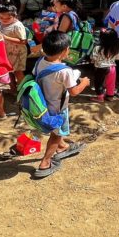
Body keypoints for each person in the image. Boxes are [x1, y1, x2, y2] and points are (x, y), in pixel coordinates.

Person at [32, 31, 90, 179]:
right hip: (58, 108)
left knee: (58, 131)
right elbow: (75, 91)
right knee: (56, 135)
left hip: (43, 104)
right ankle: (45, 162)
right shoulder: (65, 71)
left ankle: (63, 147)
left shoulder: (40, 62)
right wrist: (84, 82)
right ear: (65, 51)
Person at [0, 4, 28, 92]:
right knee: (8, 71)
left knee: (18, 72)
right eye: (1, 18)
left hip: (18, 53)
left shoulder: (17, 25)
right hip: (6, 52)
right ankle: (13, 89)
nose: (4, 20)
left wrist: (5, 37)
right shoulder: (0, 23)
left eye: (8, 18)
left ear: (14, 16)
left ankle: (23, 93)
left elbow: (23, 41)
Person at [89, 28, 119, 103]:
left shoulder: (97, 48)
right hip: (112, 67)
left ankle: (100, 98)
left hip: (101, 68)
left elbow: (93, 58)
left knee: (99, 83)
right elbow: (118, 58)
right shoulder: (115, 49)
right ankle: (110, 96)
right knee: (111, 83)